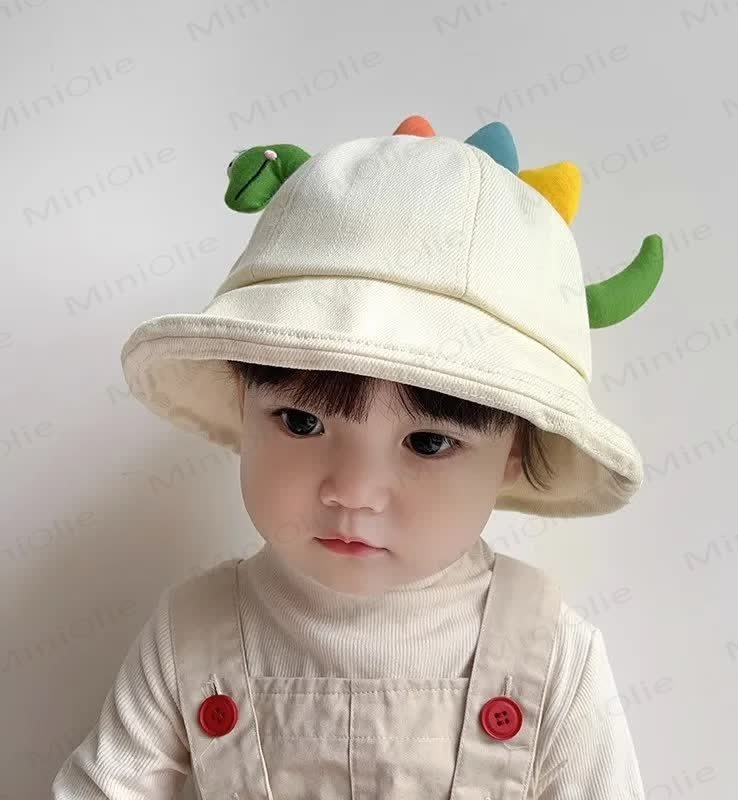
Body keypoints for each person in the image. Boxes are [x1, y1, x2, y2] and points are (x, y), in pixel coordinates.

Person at [51, 114, 664, 799]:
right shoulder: (191, 635)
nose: (354, 490)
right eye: (301, 421)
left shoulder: (550, 654)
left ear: (515, 451)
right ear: (244, 404)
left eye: (429, 442)